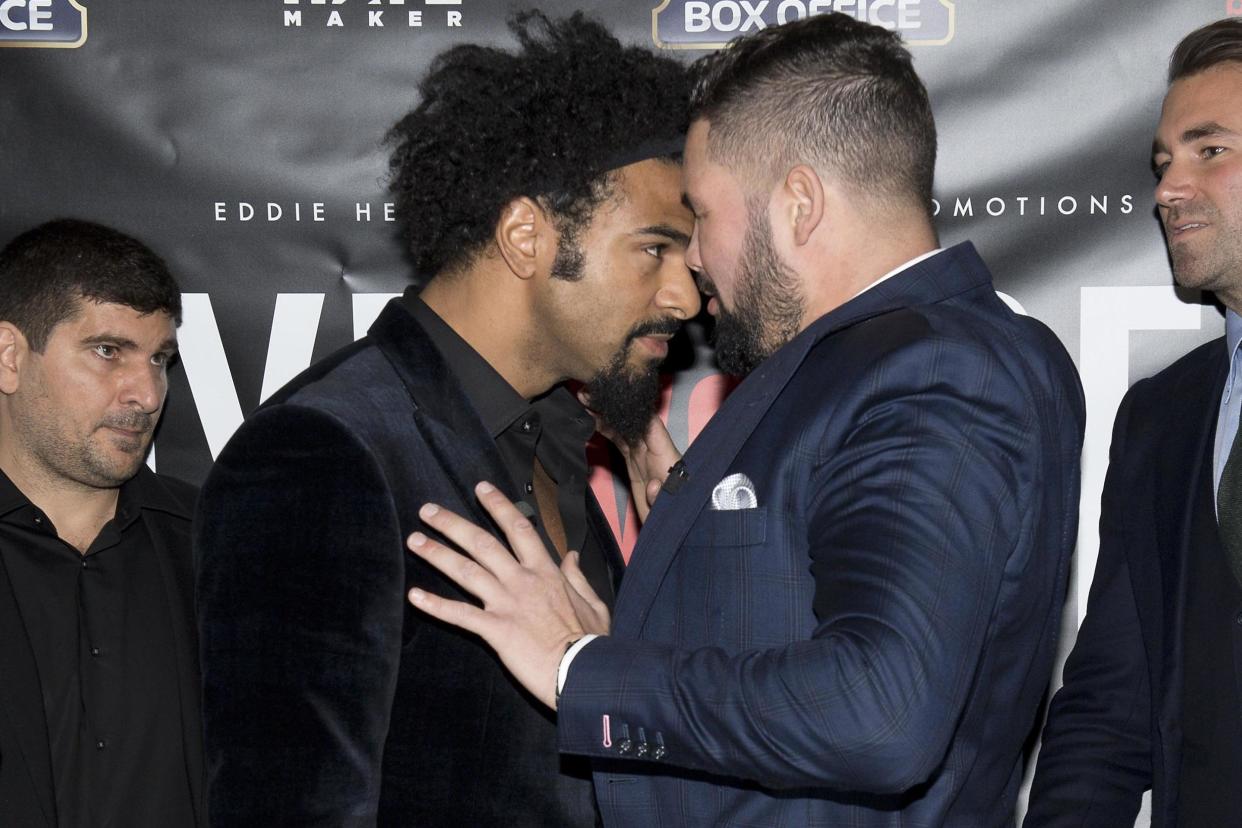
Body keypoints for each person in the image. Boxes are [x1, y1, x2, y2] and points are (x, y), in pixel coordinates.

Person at [405, 12, 1086, 827]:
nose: (693, 261)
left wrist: (578, 670)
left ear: (798, 203)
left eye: (703, 213)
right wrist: (625, 651)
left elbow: (878, 716)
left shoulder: (937, 370)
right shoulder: (875, 361)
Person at [193, 11, 699, 827]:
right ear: (528, 236)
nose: (685, 296)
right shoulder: (324, 453)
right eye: (654, 249)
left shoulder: (563, 446)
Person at [1026, 18, 1242, 826]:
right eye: (1162, 163)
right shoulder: (1162, 414)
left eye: (1209, 150)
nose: (1167, 189)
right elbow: (1107, 709)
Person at [0, 219, 202, 826]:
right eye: (108, 351)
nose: (146, 392)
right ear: (9, 357)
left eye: (161, 359)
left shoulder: (220, 545)